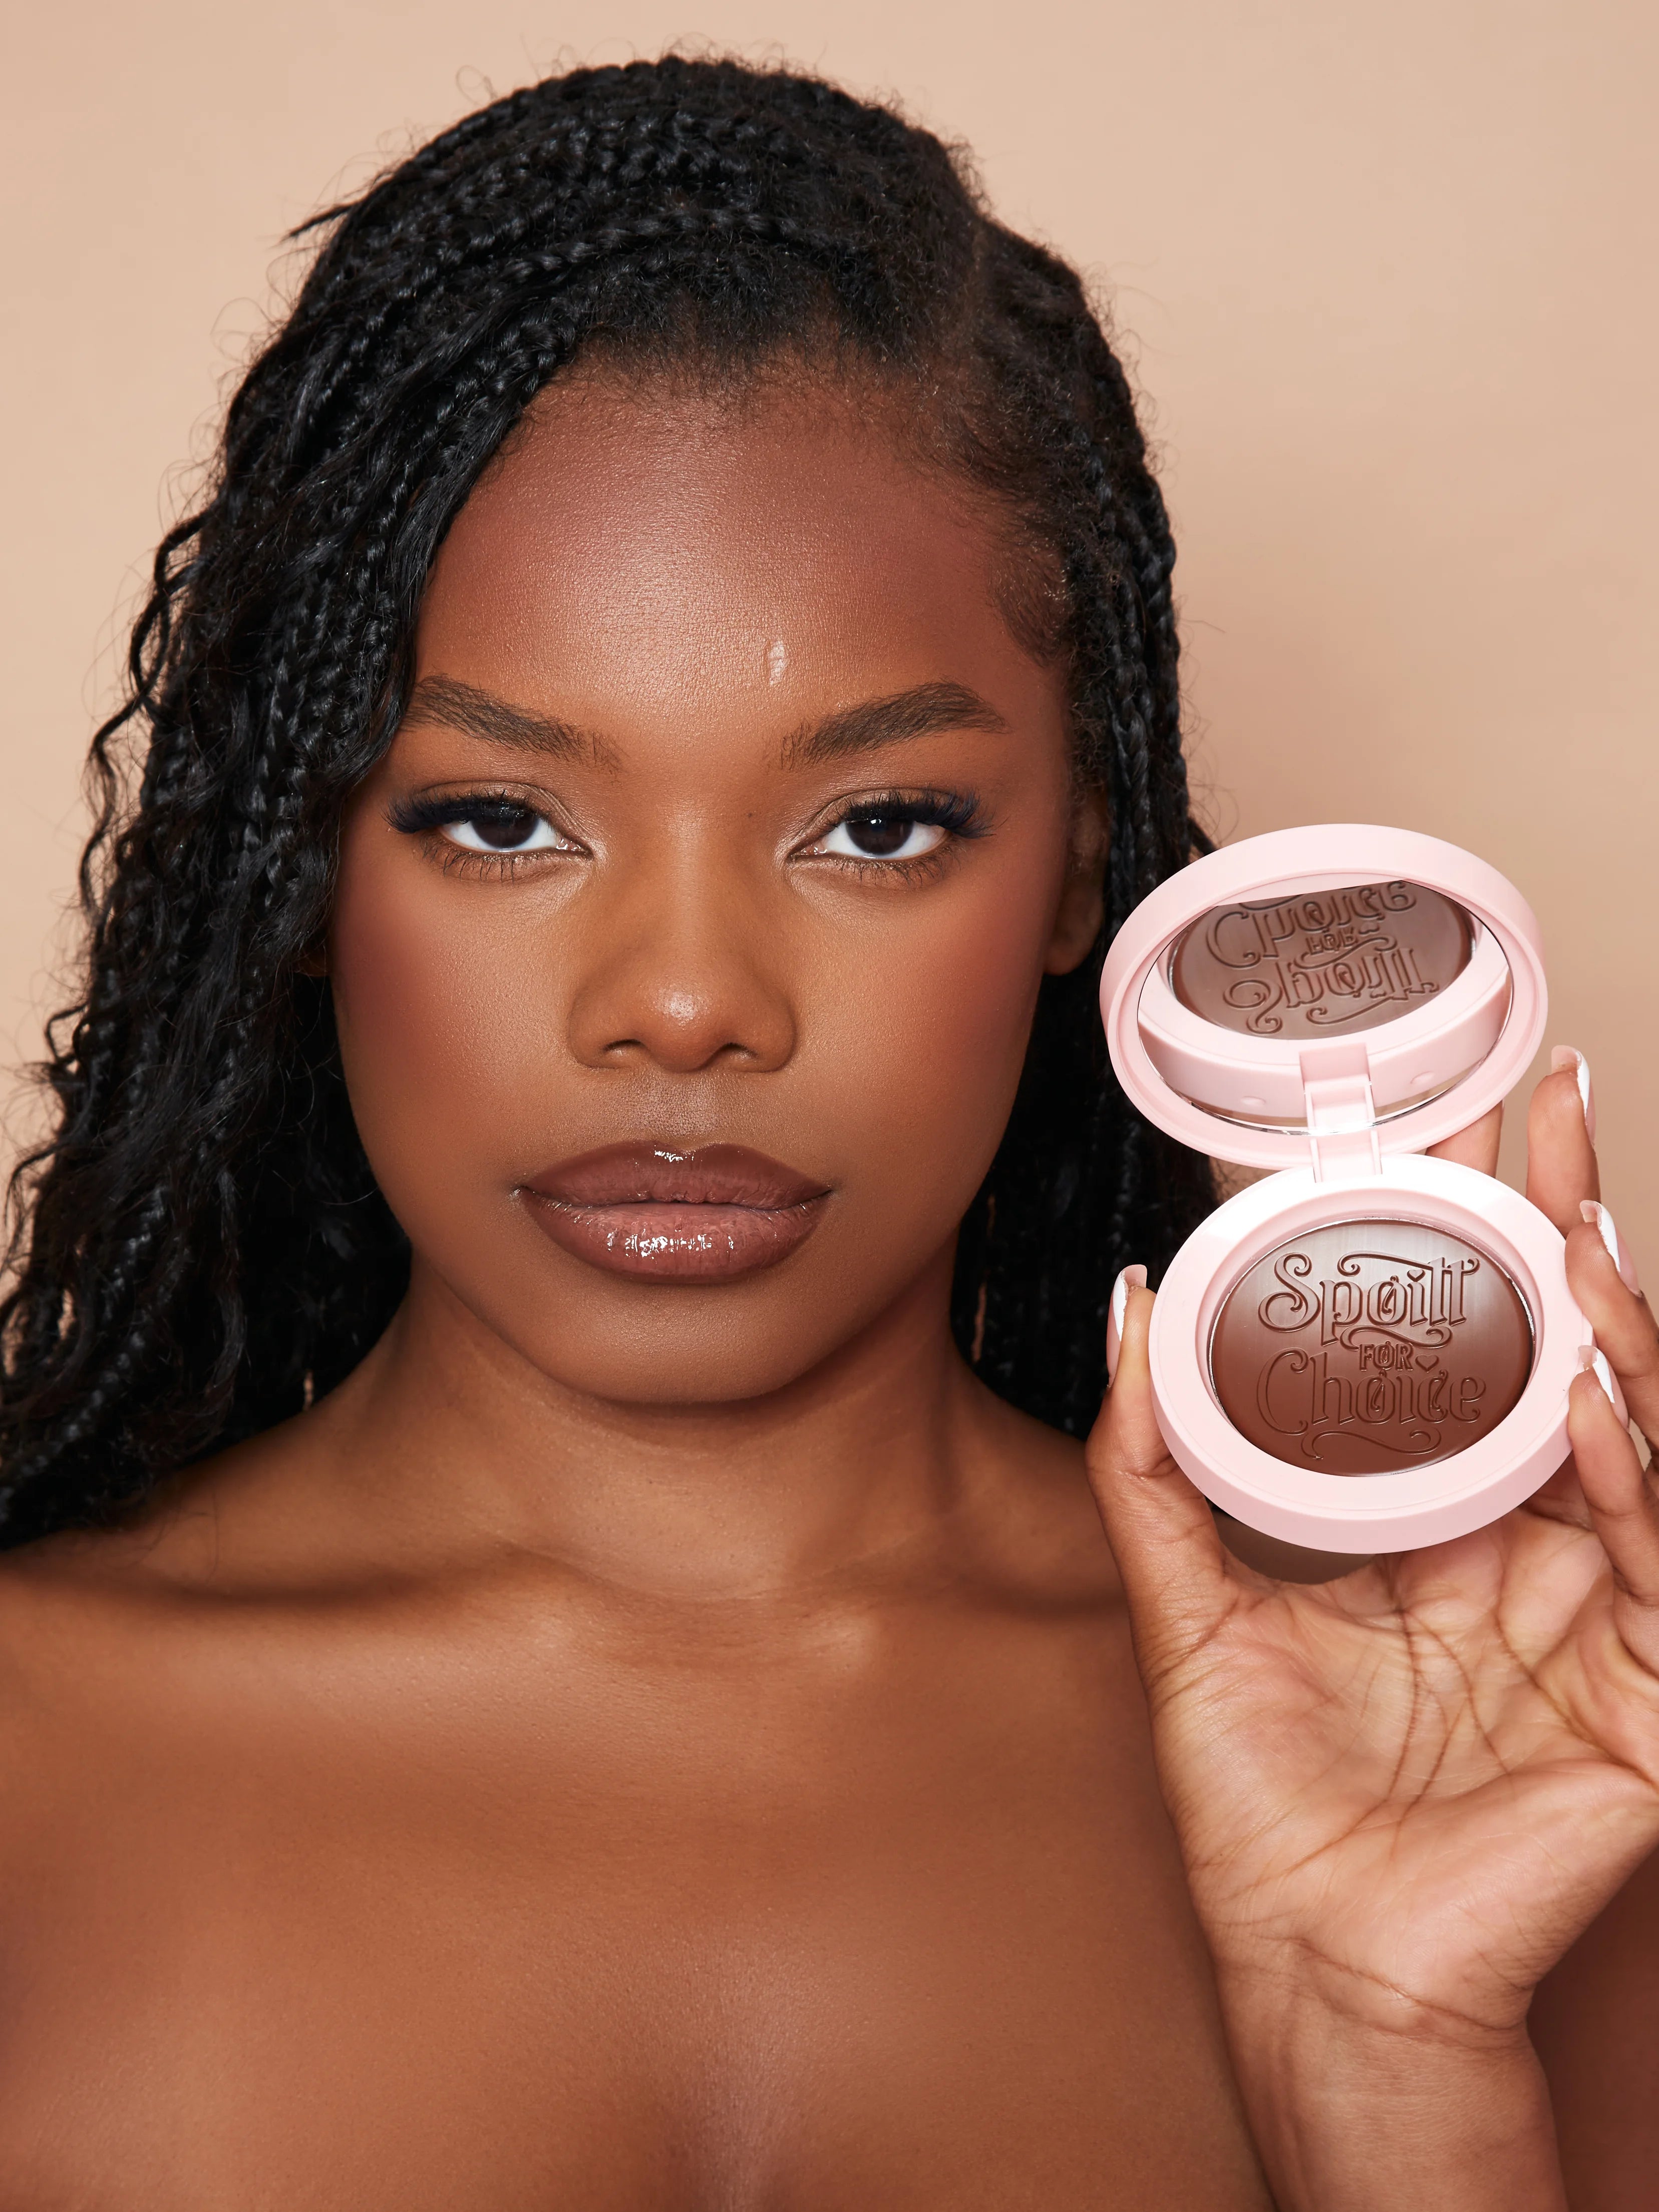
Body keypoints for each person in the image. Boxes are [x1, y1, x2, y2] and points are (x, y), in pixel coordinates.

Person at [0, 54, 1652, 2209]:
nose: (686, 998)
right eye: (498, 818)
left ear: (1083, 866)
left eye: (878, 825)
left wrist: (1396, 2068)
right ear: (306, 861)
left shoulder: (1477, 1770)